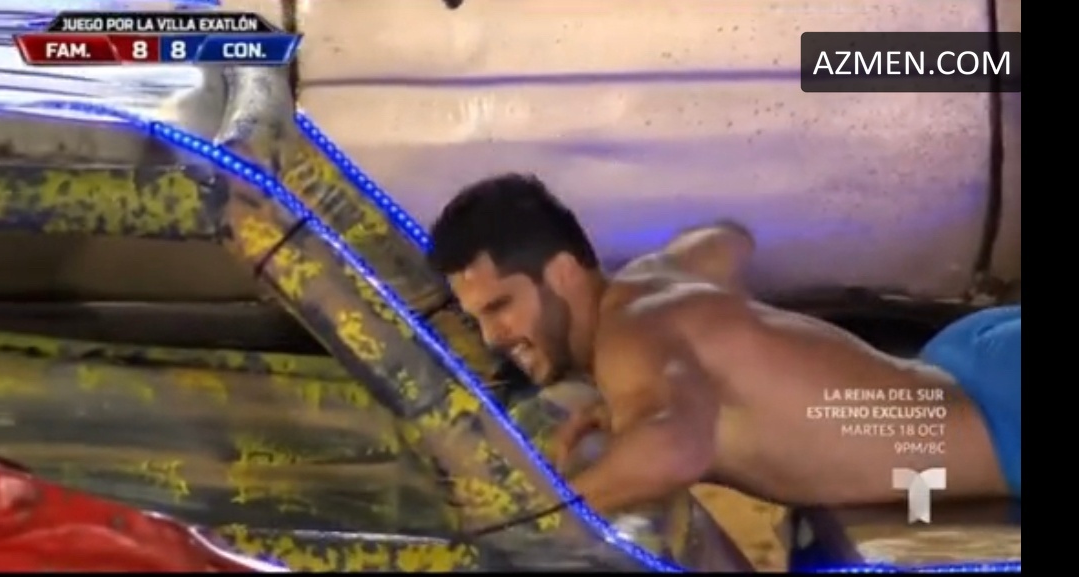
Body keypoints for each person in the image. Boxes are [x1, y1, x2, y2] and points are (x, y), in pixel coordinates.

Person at [427, 173, 1020, 515]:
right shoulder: (652, 280)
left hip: (997, 412)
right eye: (479, 317)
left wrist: (530, 518)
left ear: (561, 274)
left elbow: (675, 449)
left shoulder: (630, 341)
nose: (492, 336)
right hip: (966, 362)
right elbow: (726, 241)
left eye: (500, 306)